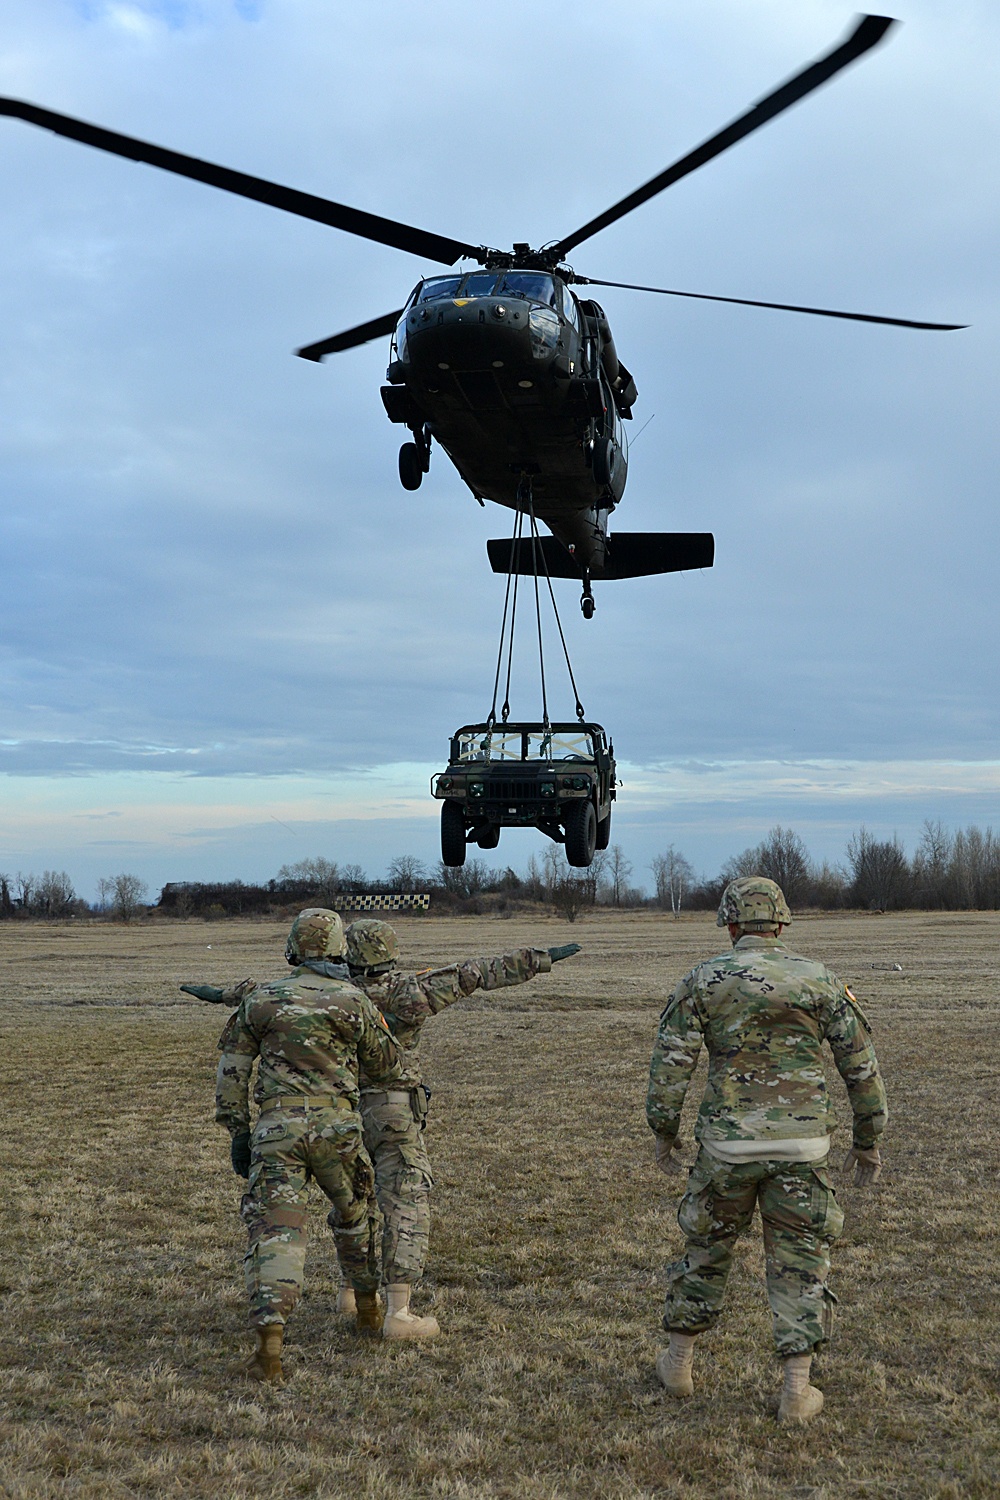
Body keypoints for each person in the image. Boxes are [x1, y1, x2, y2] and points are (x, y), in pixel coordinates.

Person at [646, 876, 888, 1423]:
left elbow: (670, 1069)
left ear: (730, 924)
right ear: (781, 923)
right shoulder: (819, 980)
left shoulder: (702, 981)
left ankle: (679, 1363)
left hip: (727, 1146)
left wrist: (664, 1133)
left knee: (706, 1249)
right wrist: (868, 1140)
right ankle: (796, 1391)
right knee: (801, 1263)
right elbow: (861, 1067)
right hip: (802, 1147)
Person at [340, 920, 581, 1339]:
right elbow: (476, 972)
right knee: (404, 1200)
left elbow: (264, 996)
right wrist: (538, 960)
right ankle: (398, 1312)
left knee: (350, 1200)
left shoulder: (330, 996)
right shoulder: (410, 992)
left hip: (339, 1110)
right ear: (391, 954)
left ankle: (352, 1294)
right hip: (393, 1112)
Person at [215, 907, 401, 1383]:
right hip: (338, 1127)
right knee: (356, 1217)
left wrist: (238, 1131)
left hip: (277, 1130)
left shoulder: (262, 999)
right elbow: (385, 1065)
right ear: (339, 949)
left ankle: (270, 1346)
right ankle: (367, 1310)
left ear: (293, 948)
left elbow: (232, 1072)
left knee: (278, 1232)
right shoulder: (353, 1000)